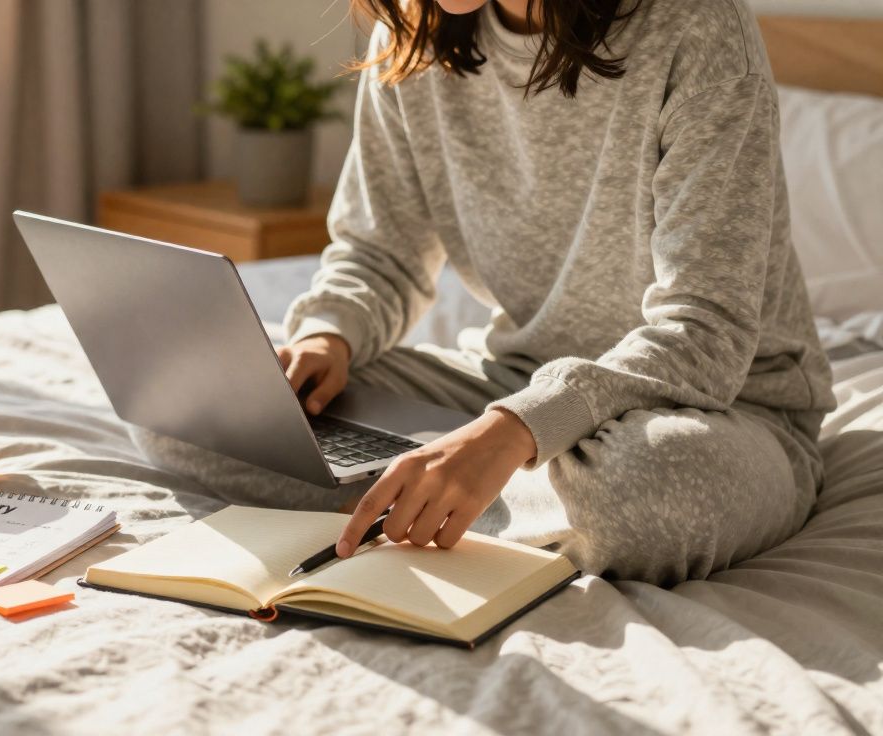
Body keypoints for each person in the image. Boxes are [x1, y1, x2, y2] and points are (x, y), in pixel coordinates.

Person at [278, 0, 835, 585]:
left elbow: (706, 329)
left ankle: (416, 499)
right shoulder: (414, 30)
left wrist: (515, 431)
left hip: (717, 412)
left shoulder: (697, 23)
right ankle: (446, 494)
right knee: (244, 417)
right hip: (510, 382)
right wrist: (329, 334)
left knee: (629, 494)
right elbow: (379, 254)